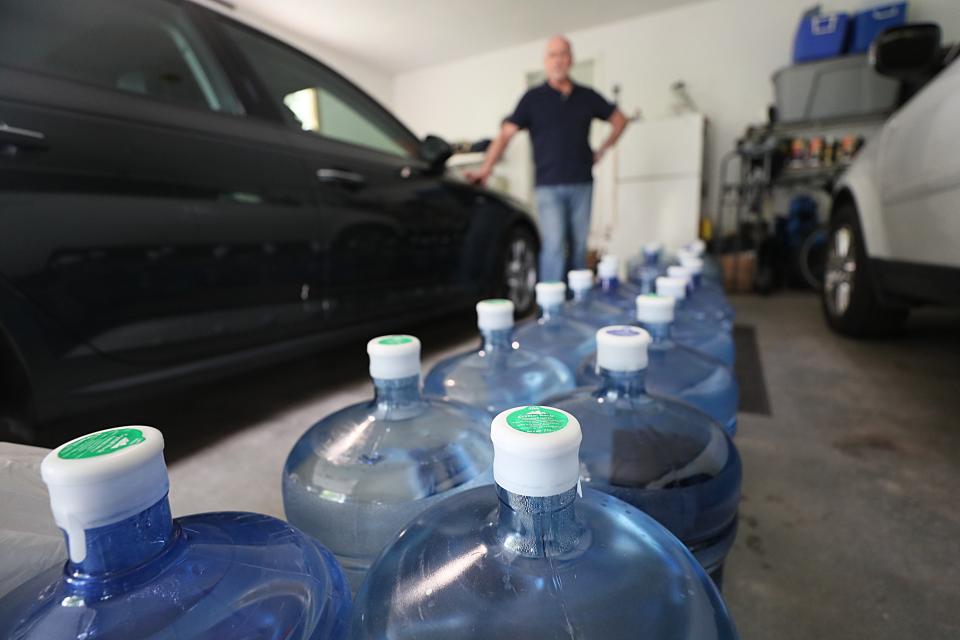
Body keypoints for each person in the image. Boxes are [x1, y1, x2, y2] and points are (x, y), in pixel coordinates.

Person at [466, 35, 628, 282]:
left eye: (563, 54)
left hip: (582, 182)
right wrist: (485, 169)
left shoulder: (587, 96)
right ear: (545, 61)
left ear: (571, 60)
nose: (558, 60)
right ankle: (551, 310)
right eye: (552, 55)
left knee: (578, 249)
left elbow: (620, 120)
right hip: (548, 186)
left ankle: (578, 305)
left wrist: (602, 150)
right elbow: (505, 134)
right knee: (553, 247)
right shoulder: (532, 99)